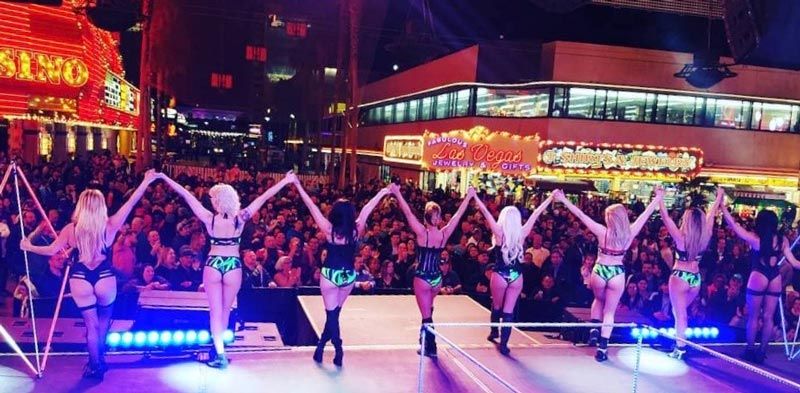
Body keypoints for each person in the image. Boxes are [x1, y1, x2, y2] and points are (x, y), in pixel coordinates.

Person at [21, 170, 159, 379]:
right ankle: (99, 359)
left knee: (90, 325)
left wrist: (28, 246)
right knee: (103, 321)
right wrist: (146, 181)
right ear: (101, 206)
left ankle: (95, 365)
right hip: (103, 275)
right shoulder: (110, 225)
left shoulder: (71, 229)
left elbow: (51, 250)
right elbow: (130, 203)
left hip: (80, 277)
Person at [159, 171, 293, 368]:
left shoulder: (209, 218)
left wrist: (165, 177)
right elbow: (264, 197)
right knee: (225, 311)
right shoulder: (241, 218)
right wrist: (286, 180)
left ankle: (219, 353)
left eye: (213, 199)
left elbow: (187, 196)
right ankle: (220, 350)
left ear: (219, 201)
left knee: (215, 311)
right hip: (232, 264)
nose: (212, 202)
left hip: (214, 263)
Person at [554, 188, 662, 362]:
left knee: (598, 300)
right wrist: (657, 199)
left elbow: (581, 216)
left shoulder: (602, 231)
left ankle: (594, 330)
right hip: (616, 272)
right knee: (610, 311)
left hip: (601, 269)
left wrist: (563, 199)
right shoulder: (630, 233)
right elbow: (645, 216)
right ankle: (603, 348)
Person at [291, 175, 390, 366]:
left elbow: (312, 208)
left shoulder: (329, 230)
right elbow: (369, 208)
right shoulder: (356, 230)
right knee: (335, 315)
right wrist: (383, 192)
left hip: (330, 274)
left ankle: (338, 347)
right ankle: (321, 345)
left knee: (331, 315)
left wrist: (298, 185)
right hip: (348, 276)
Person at [391, 184, 474, 357]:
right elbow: (457, 217)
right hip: (437, 279)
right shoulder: (443, 234)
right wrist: (468, 197)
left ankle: (431, 346)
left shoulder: (422, 233)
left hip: (422, 277)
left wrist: (398, 193)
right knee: (428, 309)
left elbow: (408, 213)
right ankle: (423, 341)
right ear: (436, 217)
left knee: (426, 315)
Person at [474, 192, 553, 354]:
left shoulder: (499, 232)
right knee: (508, 311)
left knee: (496, 305)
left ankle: (494, 332)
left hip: (500, 273)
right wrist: (550, 198)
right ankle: (504, 344)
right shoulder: (521, 233)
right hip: (517, 275)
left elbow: (486, 212)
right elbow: (536, 213)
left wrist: (474, 196)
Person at [722, 202, 800, 363]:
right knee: (769, 317)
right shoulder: (782, 240)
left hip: (759, 274)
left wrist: (723, 208)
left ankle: (750, 350)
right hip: (774, 277)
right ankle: (762, 351)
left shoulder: (756, 238)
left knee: (753, 316)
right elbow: (794, 263)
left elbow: (735, 227)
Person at [657, 187, 722, 359]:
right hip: (695, 278)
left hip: (680, 276)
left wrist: (660, 199)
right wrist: (719, 198)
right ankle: (679, 341)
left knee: (680, 315)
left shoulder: (680, 237)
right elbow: (712, 214)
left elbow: (665, 218)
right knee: (680, 313)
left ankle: (680, 349)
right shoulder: (706, 235)